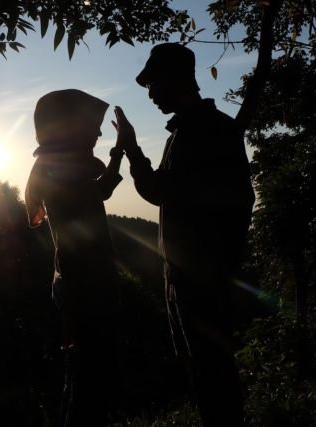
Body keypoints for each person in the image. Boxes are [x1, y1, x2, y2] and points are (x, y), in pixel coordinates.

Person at [112, 43, 255, 426]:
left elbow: (163, 193)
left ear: (177, 80)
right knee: (202, 371)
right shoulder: (189, 131)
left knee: (212, 375)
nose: (151, 93)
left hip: (200, 281)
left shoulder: (206, 131)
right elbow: (167, 192)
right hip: (189, 278)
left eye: (154, 83)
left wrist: (132, 149)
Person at [25, 89, 124, 427]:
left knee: (82, 382)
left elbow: (98, 191)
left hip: (78, 288)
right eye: (91, 124)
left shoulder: (56, 169)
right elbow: (74, 243)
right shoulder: (59, 171)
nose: (97, 132)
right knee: (89, 386)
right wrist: (74, 310)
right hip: (86, 289)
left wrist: (120, 151)